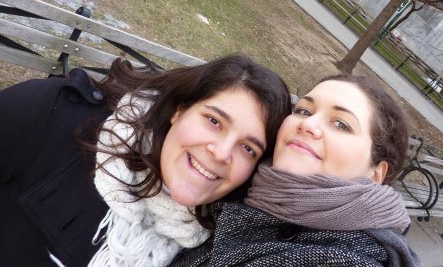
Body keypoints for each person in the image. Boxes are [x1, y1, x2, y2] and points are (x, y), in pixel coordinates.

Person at [0, 54, 291, 267]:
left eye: (248, 148)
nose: (222, 153)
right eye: (214, 121)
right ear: (179, 110)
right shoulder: (48, 116)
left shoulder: (217, 247)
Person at [171, 74, 420, 267]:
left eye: (341, 124)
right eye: (303, 111)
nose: (308, 124)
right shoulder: (236, 182)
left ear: (376, 174)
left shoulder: (347, 258)